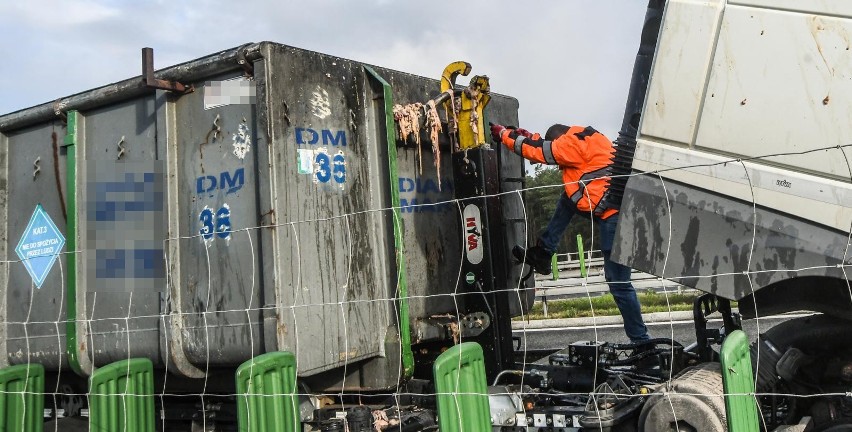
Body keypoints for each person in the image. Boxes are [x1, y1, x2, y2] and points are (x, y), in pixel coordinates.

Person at [490, 123, 650, 343]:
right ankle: (545, 251)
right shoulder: (587, 136)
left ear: (559, 138)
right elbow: (544, 146)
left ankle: (641, 341)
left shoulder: (570, 144)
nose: (559, 168)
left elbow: (539, 151)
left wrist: (505, 135)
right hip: (615, 207)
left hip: (613, 215)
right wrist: (526, 135)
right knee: (568, 197)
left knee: (619, 283)